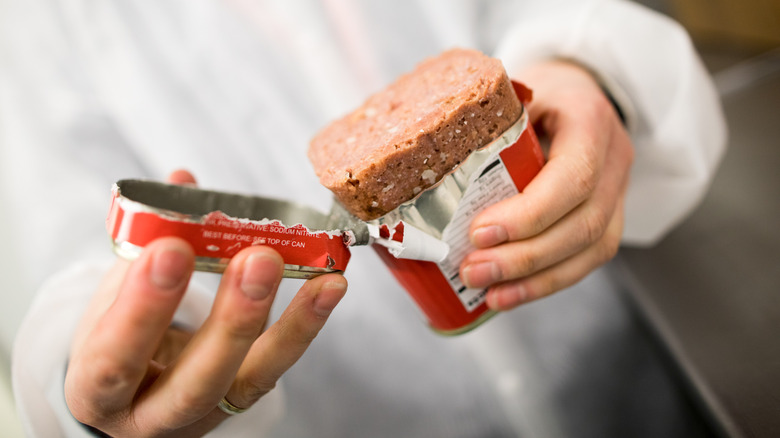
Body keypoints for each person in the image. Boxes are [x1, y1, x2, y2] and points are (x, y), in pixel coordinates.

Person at [1, 0, 726, 436]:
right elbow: (62, 263)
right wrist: (103, 373)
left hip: (656, 374)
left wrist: (591, 72)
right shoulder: (39, 27)